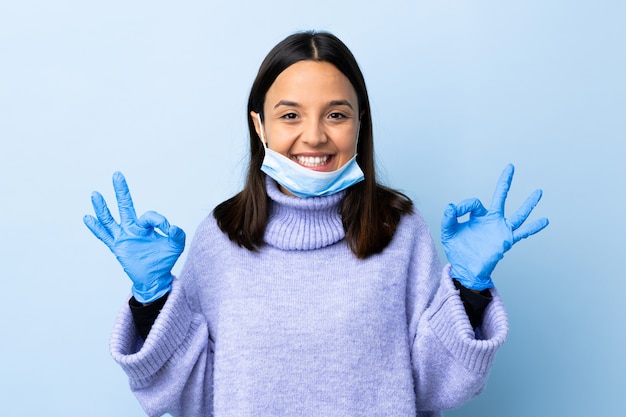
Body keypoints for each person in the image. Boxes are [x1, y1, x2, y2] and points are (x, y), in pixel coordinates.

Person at [84, 31, 548, 417]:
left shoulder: (400, 231)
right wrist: (154, 299)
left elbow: (432, 388)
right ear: (260, 126)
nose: (315, 135)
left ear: (360, 122)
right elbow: (192, 394)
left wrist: (468, 288)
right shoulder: (220, 237)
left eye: (336, 115)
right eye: (290, 115)